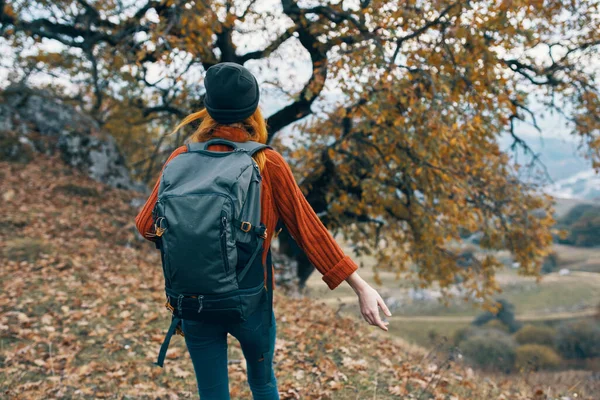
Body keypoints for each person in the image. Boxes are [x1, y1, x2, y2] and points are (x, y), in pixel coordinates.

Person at [135, 62, 391, 400]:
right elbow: (307, 229)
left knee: (211, 393)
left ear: (207, 109)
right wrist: (359, 286)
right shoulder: (267, 162)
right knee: (262, 382)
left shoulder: (179, 159)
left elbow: (146, 226)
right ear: (253, 110)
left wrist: (195, 233)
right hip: (250, 303)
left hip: (193, 300)